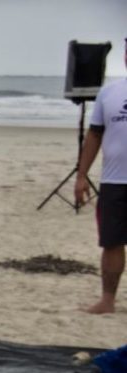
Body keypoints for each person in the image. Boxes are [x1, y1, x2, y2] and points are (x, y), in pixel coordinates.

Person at [74, 39, 127, 314]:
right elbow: (95, 135)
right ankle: (107, 300)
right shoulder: (110, 93)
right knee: (111, 242)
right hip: (114, 181)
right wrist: (81, 176)